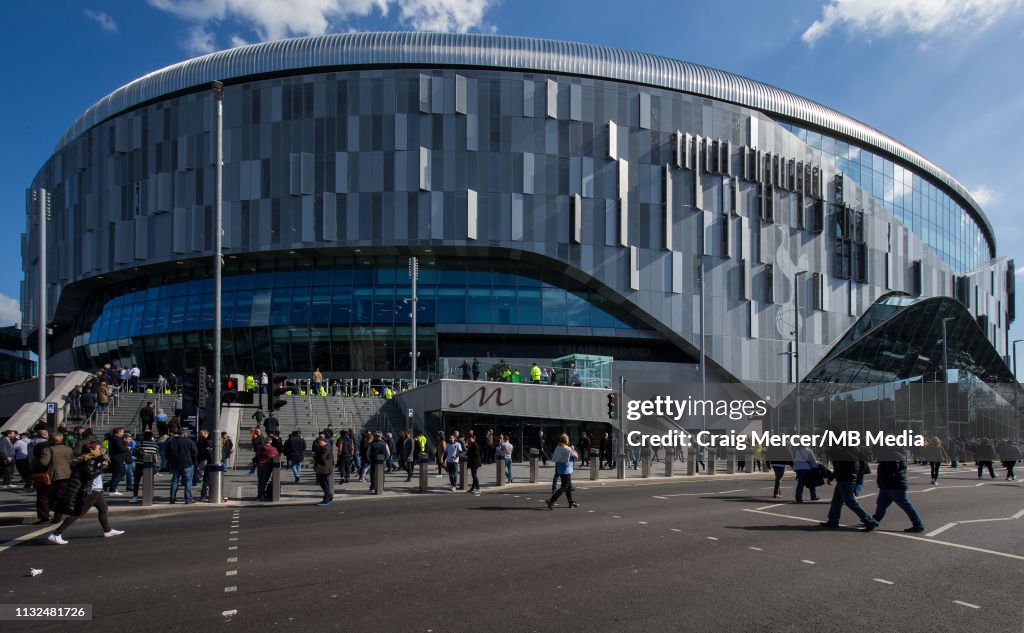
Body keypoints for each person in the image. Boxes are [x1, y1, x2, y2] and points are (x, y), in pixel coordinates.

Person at [47, 440, 124, 545]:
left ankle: (108, 530)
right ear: (91, 450)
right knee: (79, 513)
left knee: (103, 508)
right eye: (98, 449)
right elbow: (90, 475)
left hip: (96, 489)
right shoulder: (89, 461)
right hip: (91, 490)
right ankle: (56, 534)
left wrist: (102, 462)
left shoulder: (89, 458)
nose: (100, 451)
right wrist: (102, 467)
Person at [819, 445, 879, 531]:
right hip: (846, 479)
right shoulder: (851, 452)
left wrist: (831, 477)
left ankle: (869, 521)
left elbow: (840, 468)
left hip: (846, 480)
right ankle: (833, 520)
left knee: (850, 502)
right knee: (836, 501)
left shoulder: (844, 453)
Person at [872, 447, 925, 533]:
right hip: (888, 485)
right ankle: (874, 521)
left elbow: (892, 469)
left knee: (905, 505)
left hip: (894, 485)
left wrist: (884, 479)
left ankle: (918, 524)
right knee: (881, 504)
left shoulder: (893, 455)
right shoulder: (892, 454)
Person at [36, 431, 74, 524]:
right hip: (66, 475)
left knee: (43, 495)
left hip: (53, 476)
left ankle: (44, 516)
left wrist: (36, 462)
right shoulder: (69, 449)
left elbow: (43, 462)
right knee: (60, 497)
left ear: (52, 440)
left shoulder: (48, 449)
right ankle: (58, 517)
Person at [546, 435, 579, 509]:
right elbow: (576, 456)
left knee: (569, 487)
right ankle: (551, 500)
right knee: (564, 487)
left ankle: (571, 502)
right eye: (568, 439)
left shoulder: (558, 447)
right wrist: (573, 449)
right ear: (566, 441)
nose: (569, 440)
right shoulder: (568, 449)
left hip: (560, 469)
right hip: (566, 470)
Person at [166, 430, 198, 504]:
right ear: (185, 434)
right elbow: (195, 452)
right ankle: (188, 499)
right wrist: (194, 461)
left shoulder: (173, 442)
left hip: (176, 464)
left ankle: (172, 498)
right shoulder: (190, 441)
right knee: (188, 481)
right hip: (187, 464)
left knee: (174, 481)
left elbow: (167, 453)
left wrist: (171, 461)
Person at [130, 431, 160, 503]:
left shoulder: (139, 444)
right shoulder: (155, 445)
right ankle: (149, 496)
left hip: (139, 464)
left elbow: (134, 453)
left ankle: (135, 496)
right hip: (150, 465)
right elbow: (156, 453)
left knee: (137, 481)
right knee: (149, 481)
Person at [106, 428, 129, 495]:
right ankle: (112, 488)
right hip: (117, 458)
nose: (123, 433)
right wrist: (127, 448)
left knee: (117, 473)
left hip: (116, 457)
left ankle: (112, 487)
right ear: (118, 432)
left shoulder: (114, 438)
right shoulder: (116, 439)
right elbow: (120, 448)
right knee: (120, 473)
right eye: (122, 432)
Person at [313, 436, 334, 505]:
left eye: (318, 443)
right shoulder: (326, 447)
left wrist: (315, 456)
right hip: (325, 468)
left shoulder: (325, 448)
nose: (318, 445)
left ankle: (326, 500)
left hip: (324, 468)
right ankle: (330, 497)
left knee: (324, 484)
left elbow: (322, 458)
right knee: (325, 484)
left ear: (321, 442)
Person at [195, 429, 214, 500]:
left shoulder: (207, 441)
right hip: (206, 461)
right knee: (206, 479)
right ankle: (205, 495)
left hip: (207, 461)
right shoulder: (202, 441)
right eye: (200, 433)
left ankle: (204, 495)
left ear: (206, 433)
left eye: (202, 433)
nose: (201, 435)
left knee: (206, 479)